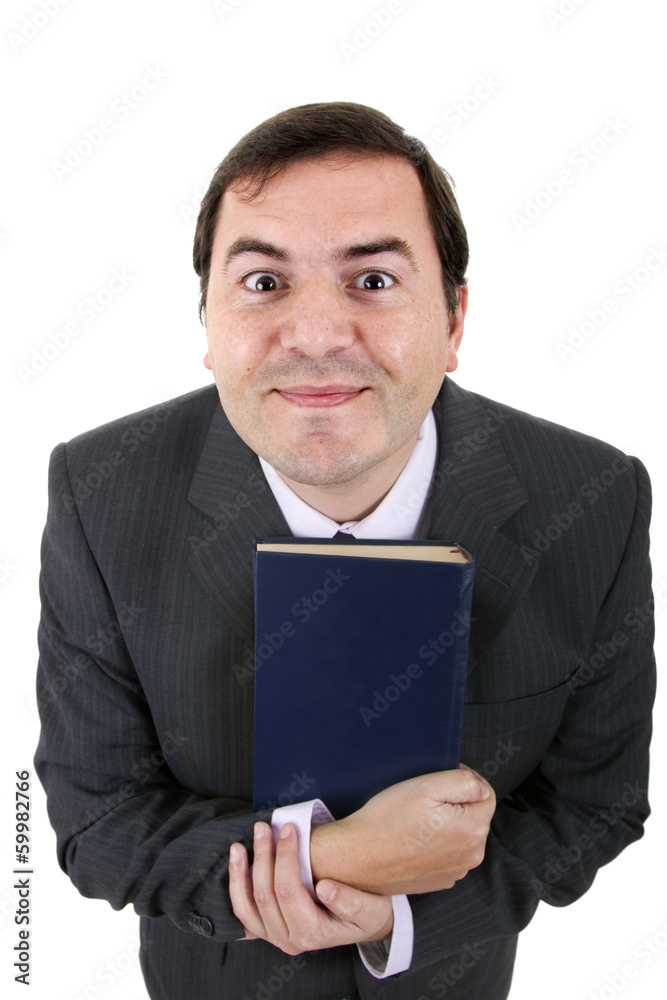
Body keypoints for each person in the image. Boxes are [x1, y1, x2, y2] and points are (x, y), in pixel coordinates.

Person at [34, 102, 655, 1000]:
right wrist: (332, 858)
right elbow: (95, 822)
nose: (318, 335)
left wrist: (405, 915)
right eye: (262, 283)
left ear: (453, 322)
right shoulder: (100, 492)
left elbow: (594, 804)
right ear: (205, 322)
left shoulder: (594, 498)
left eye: (371, 281)